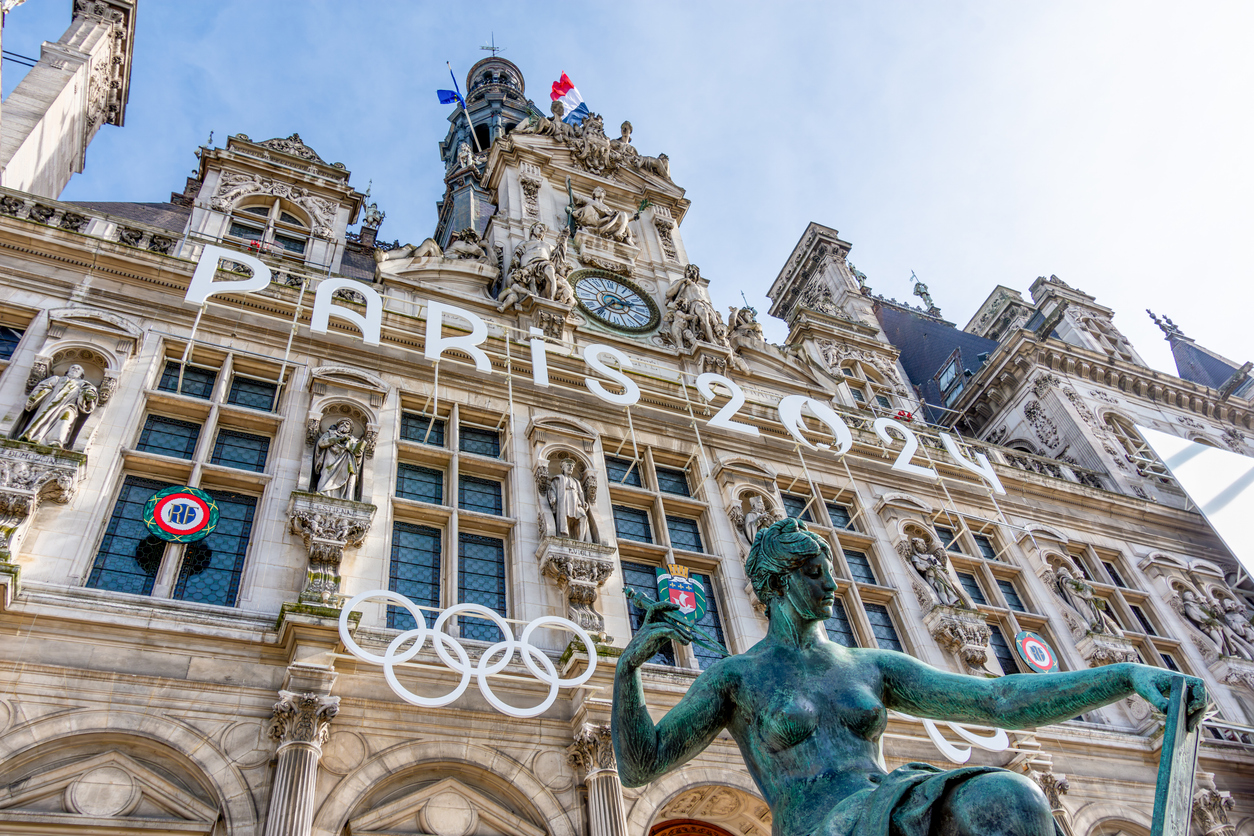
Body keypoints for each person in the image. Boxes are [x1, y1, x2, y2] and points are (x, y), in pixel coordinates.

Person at [612, 518, 1206, 836]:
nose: (833, 585)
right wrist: (629, 671)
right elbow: (642, 763)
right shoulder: (737, 679)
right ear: (778, 583)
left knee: (1011, 796)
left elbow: (999, 700)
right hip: (821, 826)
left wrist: (1124, 675)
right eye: (816, 573)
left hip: (885, 801)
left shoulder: (870, 665)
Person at [17, 364, 98, 448]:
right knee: (43, 418)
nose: (75, 369)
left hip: (69, 405)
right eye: (73, 367)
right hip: (50, 403)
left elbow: (89, 392)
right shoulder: (57, 379)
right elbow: (43, 386)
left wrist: (89, 395)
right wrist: (37, 395)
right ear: (68, 371)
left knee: (65, 419)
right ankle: (33, 436)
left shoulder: (83, 384)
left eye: (78, 369)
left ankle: (56, 441)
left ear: (81, 374)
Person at [313, 419, 366, 500]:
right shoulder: (330, 434)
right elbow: (321, 443)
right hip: (331, 458)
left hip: (346, 460)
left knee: (346, 476)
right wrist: (337, 439)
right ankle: (323, 492)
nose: (344, 424)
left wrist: (358, 452)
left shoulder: (353, 440)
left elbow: (357, 457)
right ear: (338, 426)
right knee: (327, 472)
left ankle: (343, 497)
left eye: (347, 424)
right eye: (342, 423)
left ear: (350, 429)